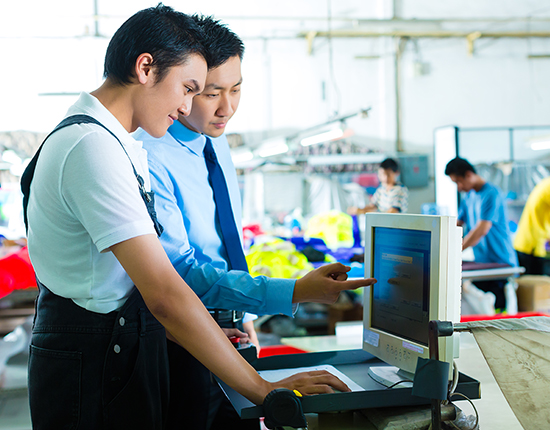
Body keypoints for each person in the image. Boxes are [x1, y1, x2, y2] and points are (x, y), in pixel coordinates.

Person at [22, 5, 376, 429]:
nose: (188, 106)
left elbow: (121, 280)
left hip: (122, 344)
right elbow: (166, 293)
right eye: (191, 88)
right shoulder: (91, 148)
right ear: (146, 68)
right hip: (94, 360)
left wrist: (182, 334)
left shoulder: (115, 143)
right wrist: (264, 390)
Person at [135, 14, 375, 430]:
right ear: (184, 87)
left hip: (232, 332)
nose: (227, 107)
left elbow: (227, 243)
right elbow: (181, 274)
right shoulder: (150, 155)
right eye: (211, 93)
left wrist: (243, 314)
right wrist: (295, 290)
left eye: (237, 88)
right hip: (182, 340)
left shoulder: (219, 143)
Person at [445, 157, 518, 310]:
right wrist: (444, 243)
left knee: (499, 316)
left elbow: (481, 230)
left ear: (469, 174)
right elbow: (457, 224)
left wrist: (454, 252)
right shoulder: (469, 197)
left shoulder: (492, 194)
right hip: (483, 264)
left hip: (500, 263)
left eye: (459, 181)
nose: (458, 187)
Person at [513, 169, 550, 277]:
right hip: (532, 244)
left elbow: (542, 216)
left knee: (528, 285)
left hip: (525, 241)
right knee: (533, 286)